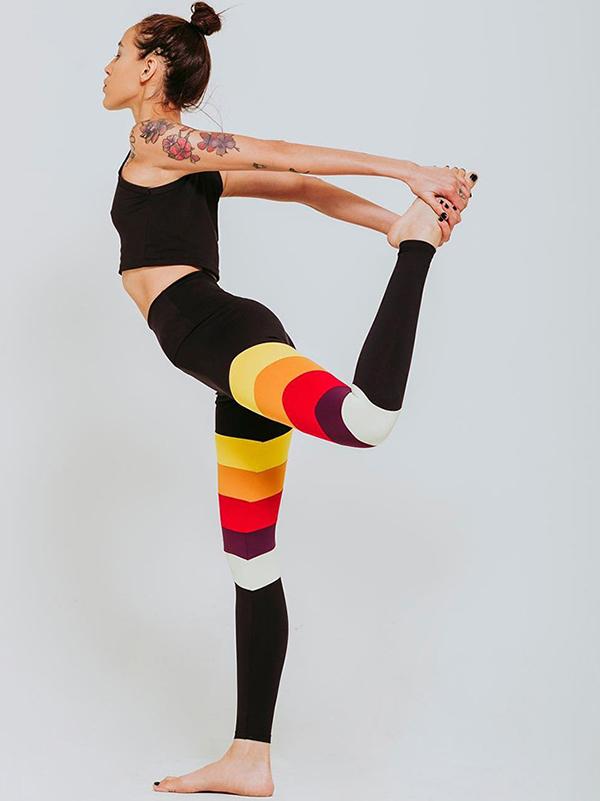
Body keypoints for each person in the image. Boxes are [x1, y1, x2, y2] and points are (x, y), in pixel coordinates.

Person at [103, 2, 478, 795]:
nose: (106, 67)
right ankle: (250, 757)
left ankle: (417, 255)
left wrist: (409, 181)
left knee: (363, 421)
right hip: (220, 359)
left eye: (119, 52)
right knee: (251, 558)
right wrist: (393, 220)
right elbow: (300, 187)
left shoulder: (160, 141)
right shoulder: (179, 160)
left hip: (221, 335)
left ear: (151, 67)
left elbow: (278, 152)